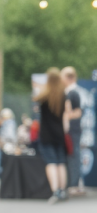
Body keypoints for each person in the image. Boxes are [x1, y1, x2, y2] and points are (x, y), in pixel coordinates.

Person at [33, 67, 72, 203]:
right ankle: (62, 190)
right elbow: (66, 115)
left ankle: (55, 191)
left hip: (46, 134)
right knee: (61, 162)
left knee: (51, 163)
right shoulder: (63, 95)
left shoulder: (44, 95)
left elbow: (35, 102)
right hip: (59, 134)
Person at [62, 66, 84, 194]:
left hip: (73, 130)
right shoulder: (72, 92)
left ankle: (74, 184)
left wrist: (64, 115)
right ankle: (72, 183)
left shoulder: (73, 93)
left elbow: (78, 112)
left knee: (74, 156)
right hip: (71, 130)